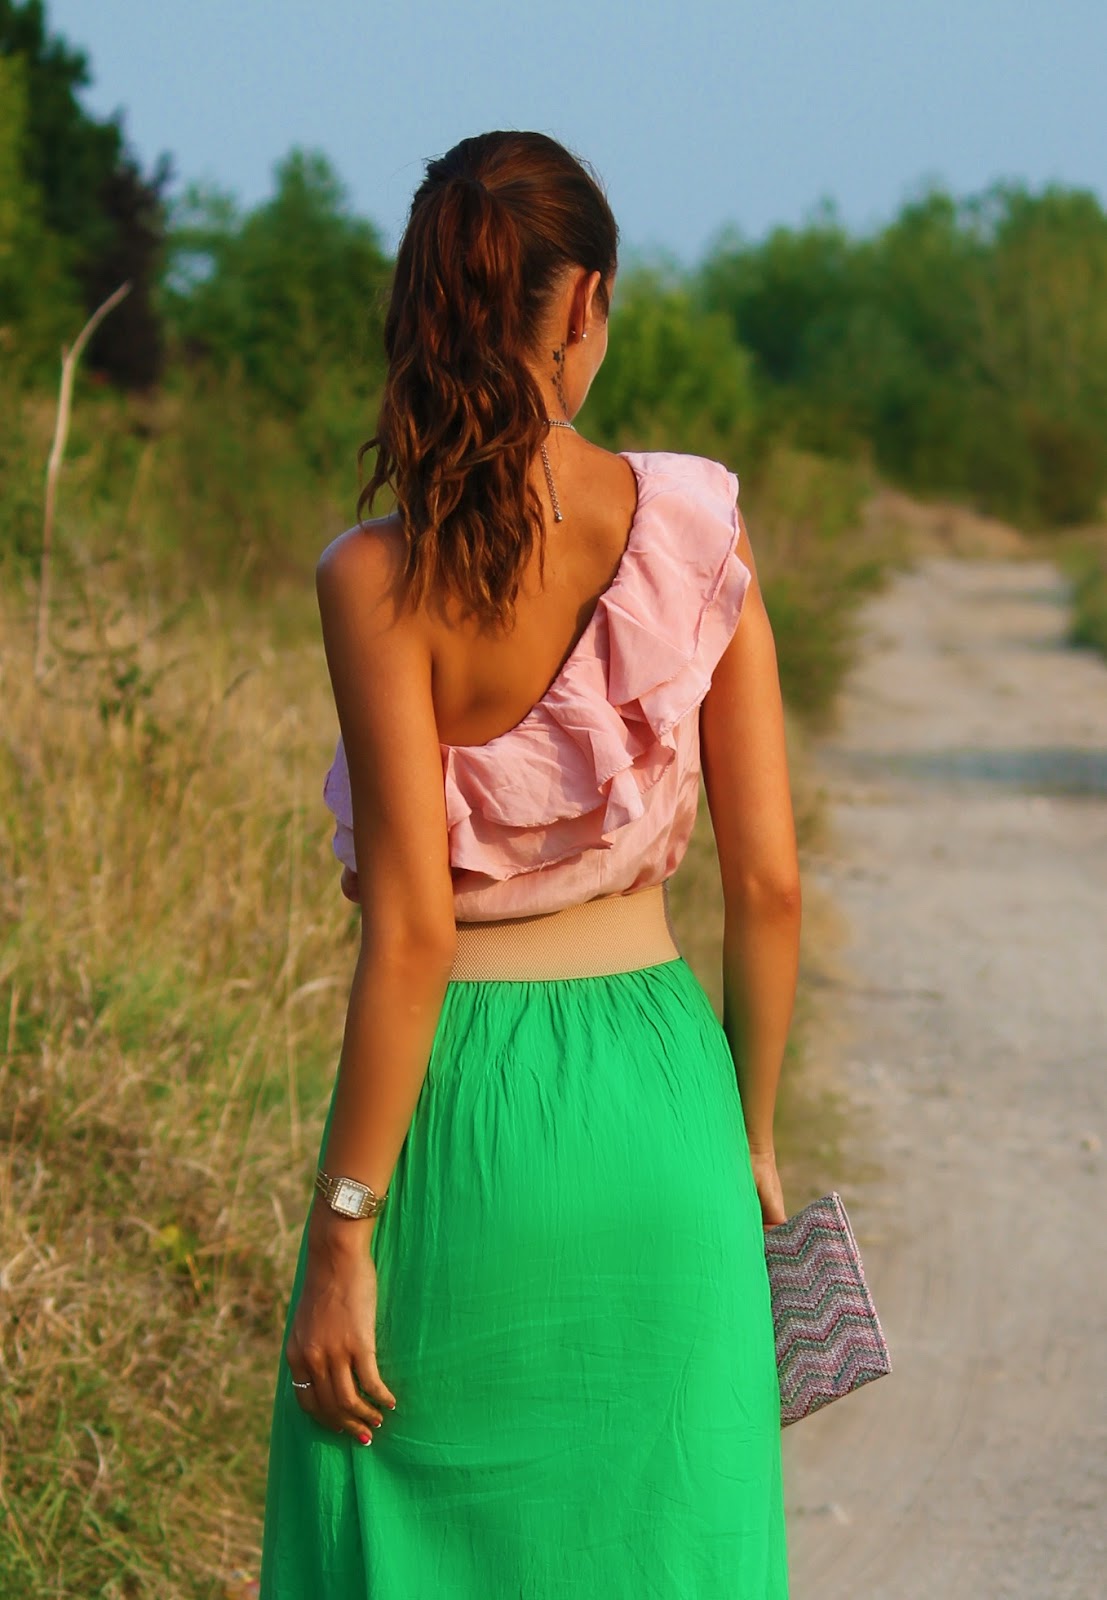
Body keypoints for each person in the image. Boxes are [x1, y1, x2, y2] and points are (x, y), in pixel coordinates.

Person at [259, 130, 798, 1598]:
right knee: (668, 1545)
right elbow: (767, 888)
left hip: (464, 1120)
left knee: (391, 1528)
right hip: (665, 1106)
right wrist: (743, 1135)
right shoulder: (699, 526)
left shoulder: (373, 578)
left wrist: (345, 1232)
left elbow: (414, 936)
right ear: (585, 303)